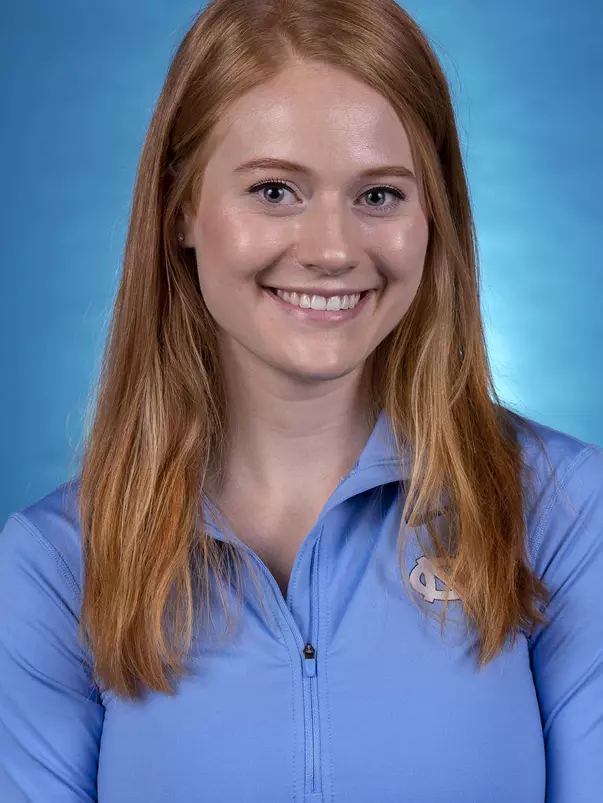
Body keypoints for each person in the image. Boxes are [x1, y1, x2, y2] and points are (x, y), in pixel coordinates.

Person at [1, 0, 602, 800]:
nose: (331, 249)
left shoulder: (568, 512)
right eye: (275, 190)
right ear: (182, 208)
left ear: (433, 214)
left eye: (379, 195)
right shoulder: (53, 565)